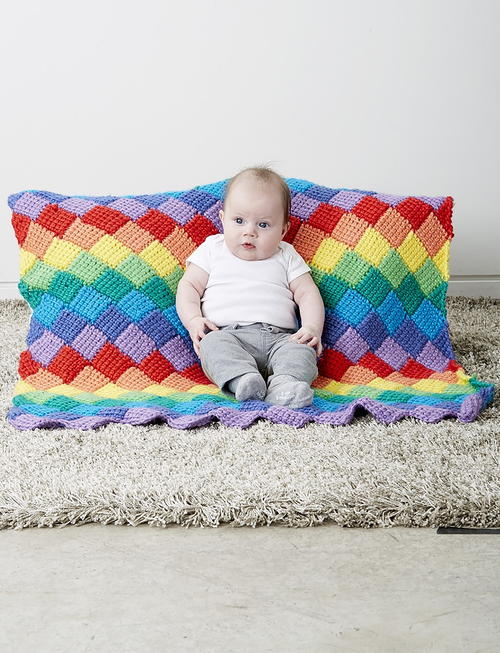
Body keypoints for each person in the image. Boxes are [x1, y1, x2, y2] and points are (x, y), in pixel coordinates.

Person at [175, 165, 325, 409]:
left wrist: (311, 327)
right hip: (228, 334)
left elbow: (307, 293)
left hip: (281, 338)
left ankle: (285, 385)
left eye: (263, 225)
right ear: (222, 219)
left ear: (283, 230)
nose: (249, 232)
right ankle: (243, 379)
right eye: (239, 220)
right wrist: (193, 320)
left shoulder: (286, 255)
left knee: (302, 350)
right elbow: (189, 286)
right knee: (211, 345)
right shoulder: (213, 248)